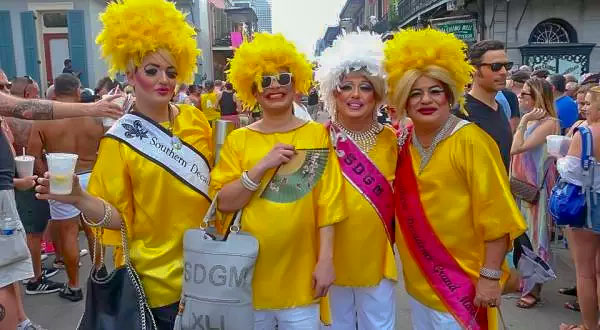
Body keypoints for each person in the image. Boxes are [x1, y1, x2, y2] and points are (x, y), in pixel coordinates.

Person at [35, 0, 211, 328]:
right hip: (155, 283)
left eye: (171, 71)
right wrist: (79, 198)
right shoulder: (119, 141)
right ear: (130, 74)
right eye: (151, 70)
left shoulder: (195, 120)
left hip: (208, 273)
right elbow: (118, 219)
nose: (164, 80)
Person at [384, 28, 526, 330]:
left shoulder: (471, 141)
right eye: (415, 92)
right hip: (420, 285)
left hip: (464, 287)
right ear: (403, 101)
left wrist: (489, 277)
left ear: (450, 96)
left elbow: (498, 217)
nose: (426, 100)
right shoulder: (404, 141)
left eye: (435, 91)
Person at [211, 32, 347, 329]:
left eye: (283, 79)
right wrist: (259, 168)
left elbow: (329, 202)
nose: (274, 86)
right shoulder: (238, 140)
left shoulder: (316, 135)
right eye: (265, 80)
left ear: (295, 84)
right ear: (253, 90)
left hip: (301, 285)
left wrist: (326, 261)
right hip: (246, 282)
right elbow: (222, 202)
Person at [315, 31, 397, 329]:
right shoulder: (318, 138)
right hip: (329, 255)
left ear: (377, 94)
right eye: (346, 87)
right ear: (332, 92)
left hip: (376, 256)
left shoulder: (393, 140)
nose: (355, 95)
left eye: (365, 87)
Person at [27, 73, 105, 301]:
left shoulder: (44, 119)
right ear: (78, 90)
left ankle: (74, 286)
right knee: (95, 231)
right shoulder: (94, 117)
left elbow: (33, 156)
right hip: (91, 175)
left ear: (54, 92)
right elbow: (109, 148)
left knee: (69, 234)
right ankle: (100, 276)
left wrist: (48, 177)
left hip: (62, 177)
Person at [511, 77, 560, 308]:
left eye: (525, 94)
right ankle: (525, 282)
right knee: (522, 238)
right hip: (521, 186)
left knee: (535, 238)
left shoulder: (549, 123)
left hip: (536, 190)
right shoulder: (533, 121)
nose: (520, 97)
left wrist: (523, 121)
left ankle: (534, 288)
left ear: (538, 98)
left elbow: (517, 148)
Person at [558, 86, 600, 330]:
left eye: (587, 103)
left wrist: (560, 159)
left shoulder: (585, 133)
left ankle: (588, 325)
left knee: (585, 272)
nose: (583, 107)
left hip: (587, 205)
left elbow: (571, 172)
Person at [459, 39, 514, 172]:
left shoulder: (499, 107)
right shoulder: (461, 113)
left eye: (507, 66)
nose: (503, 72)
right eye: (495, 66)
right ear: (474, 69)